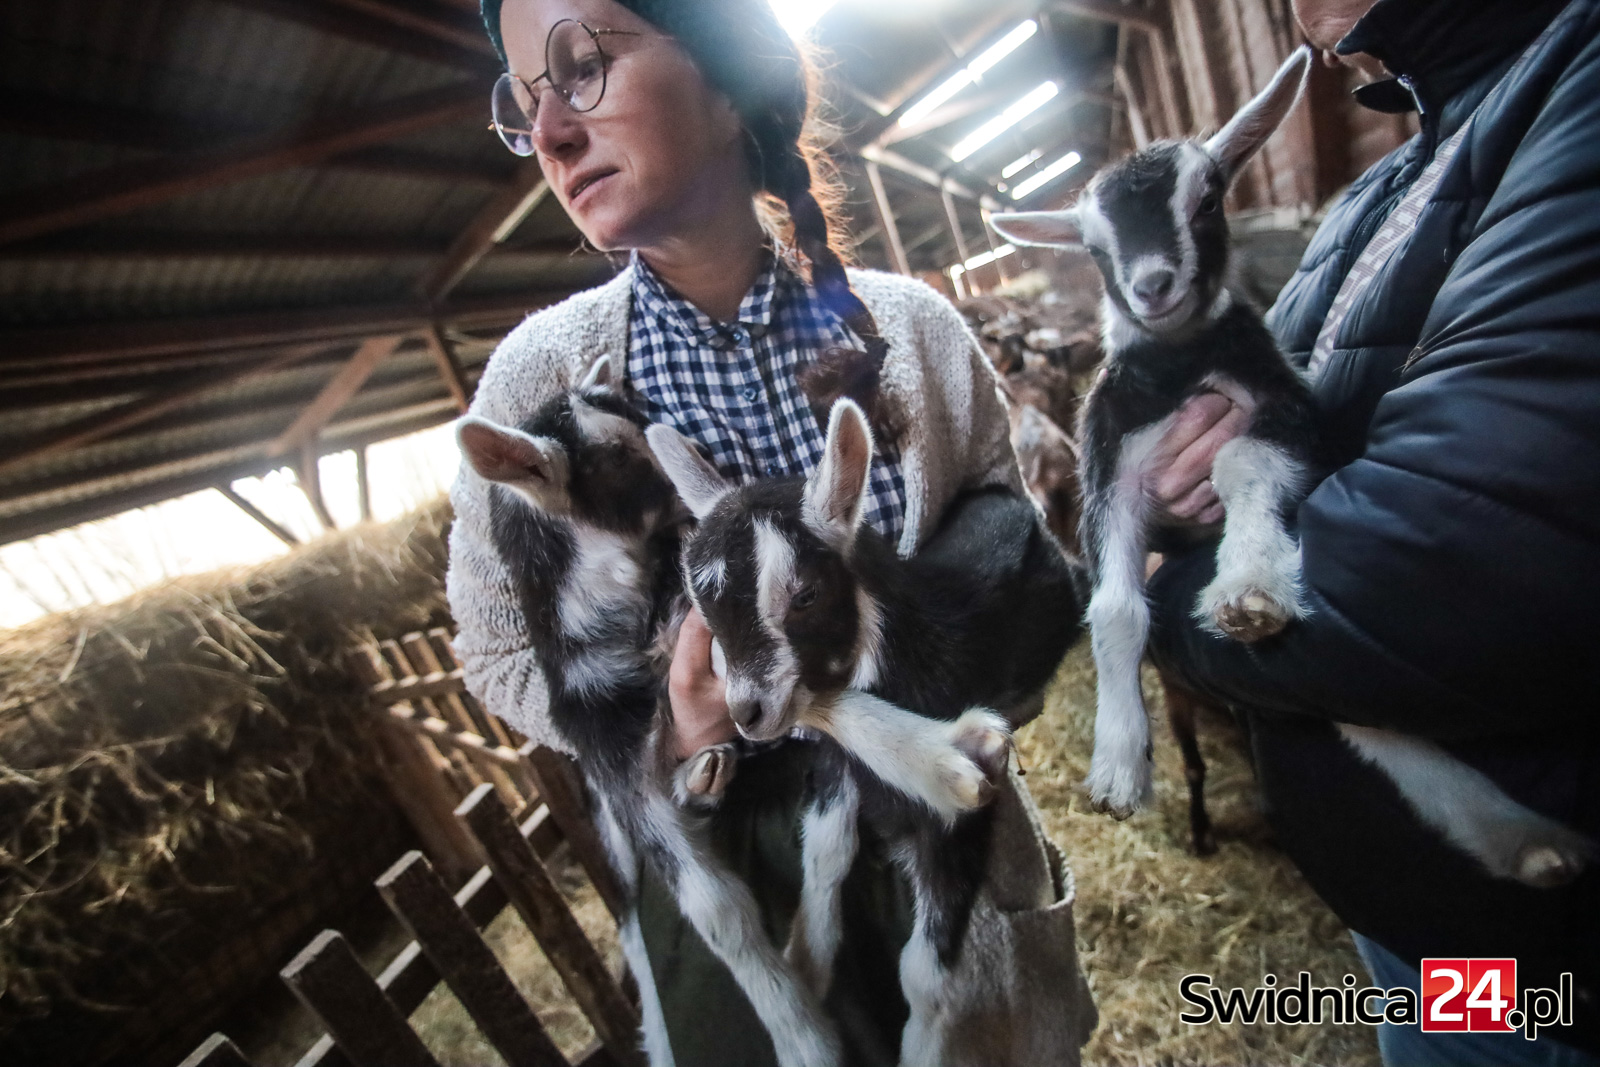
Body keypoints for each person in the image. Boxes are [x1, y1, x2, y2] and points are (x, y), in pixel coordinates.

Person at [445, 1, 1096, 1063]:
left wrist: (940, 673)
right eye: (525, 104)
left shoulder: (909, 333)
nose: (553, 133)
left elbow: (1012, 559)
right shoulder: (539, 383)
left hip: (947, 873)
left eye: (581, 68)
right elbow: (501, 650)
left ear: (726, 69)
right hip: (731, 888)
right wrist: (678, 724)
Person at [1143, 0, 1600, 1061]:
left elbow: (1449, 570)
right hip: (1416, 906)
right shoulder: (1388, 181)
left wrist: (1160, 591)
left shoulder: (1572, 95)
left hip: (1550, 952)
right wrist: (1180, 492)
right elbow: (1280, 440)